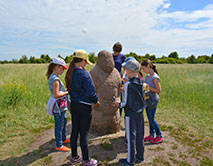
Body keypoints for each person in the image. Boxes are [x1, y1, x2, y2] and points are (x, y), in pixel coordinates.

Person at [65, 49, 100, 166]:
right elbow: (91, 92)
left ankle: (74, 157)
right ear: (83, 61)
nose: (86, 64)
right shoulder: (85, 74)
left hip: (73, 104)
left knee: (75, 130)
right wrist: (96, 101)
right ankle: (86, 160)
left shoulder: (70, 72)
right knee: (84, 133)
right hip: (85, 106)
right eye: (86, 62)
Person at [115, 60, 146, 165]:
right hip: (140, 112)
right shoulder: (140, 81)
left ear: (127, 70)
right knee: (140, 134)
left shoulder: (128, 85)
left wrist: (118, 104)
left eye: (125, 69)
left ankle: (130, 160)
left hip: (130, 114)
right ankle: (140, 156)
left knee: (131, 137)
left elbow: (126, 102)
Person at [46, 57, 70, 152]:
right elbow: (56, 95)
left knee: (63, 122)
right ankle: (59, 145)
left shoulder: (53, 77)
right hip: (58, 106)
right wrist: (67, 92)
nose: (63, 70)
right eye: (62, 68)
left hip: (61, 105)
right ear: (56, 66)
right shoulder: (55, 79)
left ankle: (63, 139)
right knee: (59, 125)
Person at [141, 59, 164, 144]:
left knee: (152, 119)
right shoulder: (147, 76)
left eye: (144, 68)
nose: (143, 71)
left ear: (149, 66)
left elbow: (158, 90)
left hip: (153, 100)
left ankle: (159, 136)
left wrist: (148, 88)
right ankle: (151, 135)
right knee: (150, 118)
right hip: (147, 99)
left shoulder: (155, 77)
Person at [112, 42, 126, 116]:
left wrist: (123, 76)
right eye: (115, 51)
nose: (116, 53)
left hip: (120, 77)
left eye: (118, 52)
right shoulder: (110, 56)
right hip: (111, 77)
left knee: (120, 96)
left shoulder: (122, 57)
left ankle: (119, 115)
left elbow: (125, 68)